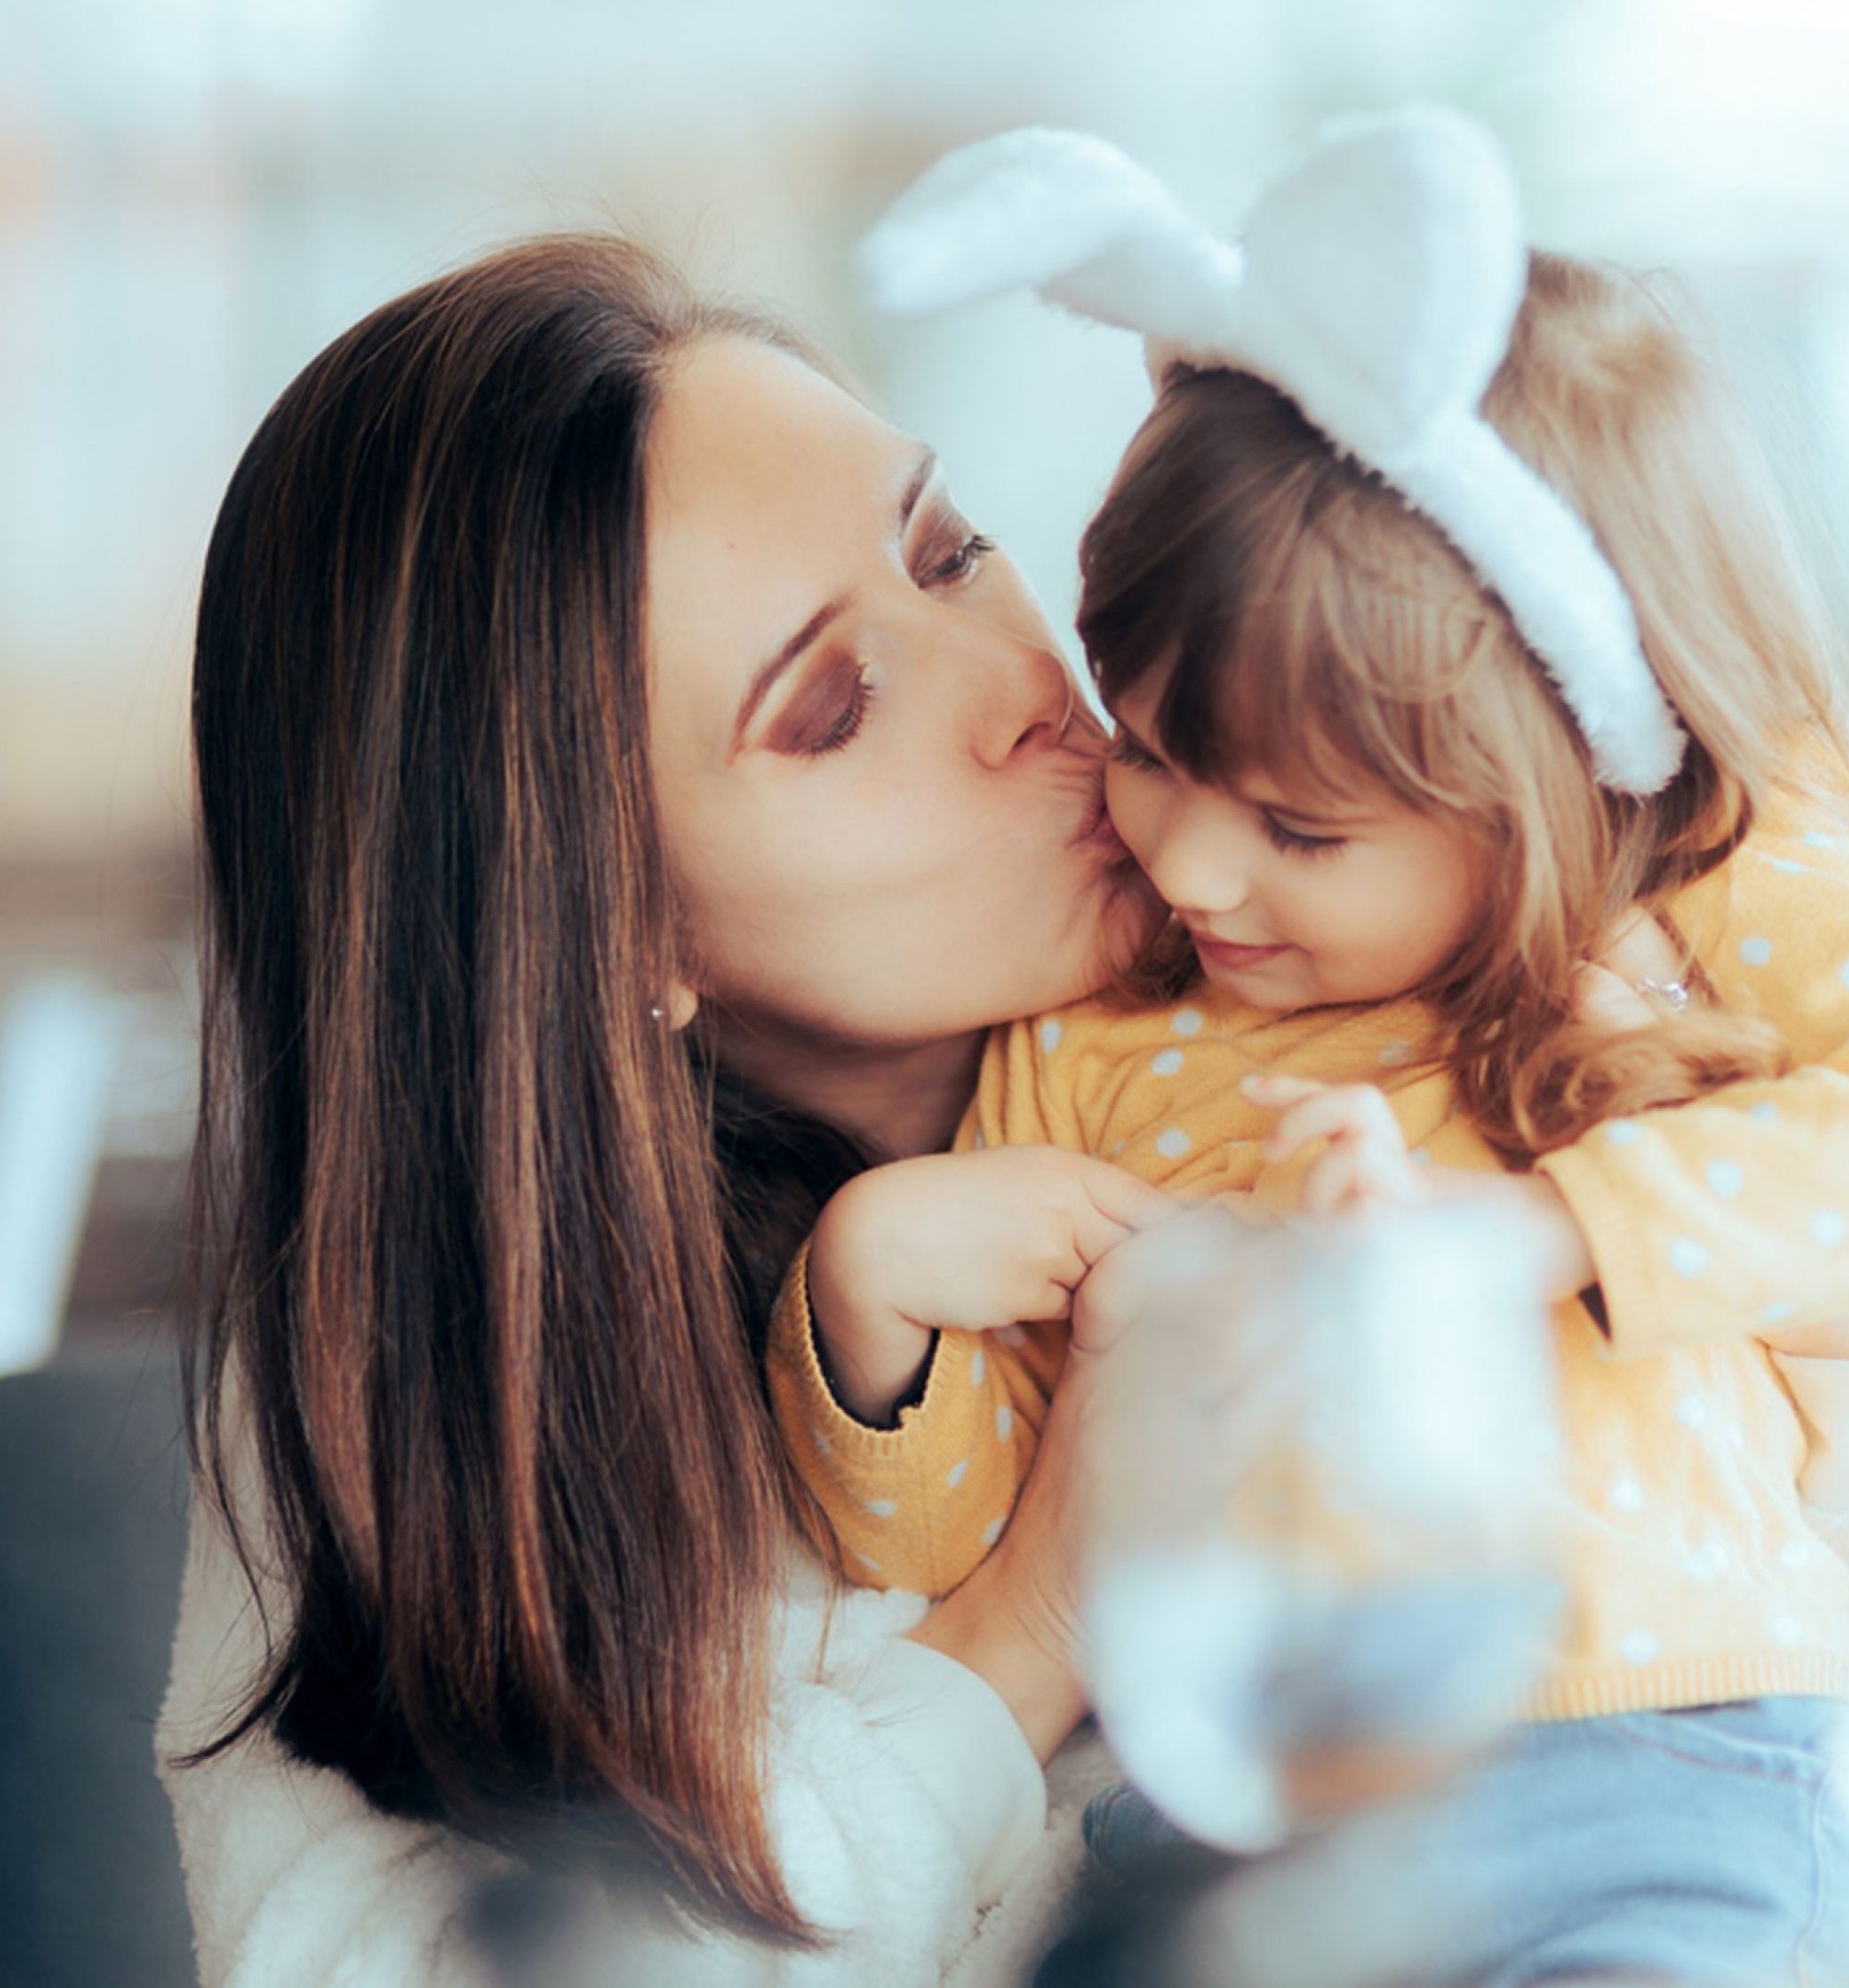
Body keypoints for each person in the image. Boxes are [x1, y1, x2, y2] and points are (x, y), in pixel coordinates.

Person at [774, 116, 1849, 1986]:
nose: (1181, 857)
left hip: (1657, 1757)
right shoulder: (1086, 1049)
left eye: (1300, 828)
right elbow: (980, 1562)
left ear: (1555, 778)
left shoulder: (1656, 905)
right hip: (1233, 1814)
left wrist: (1538, 1232)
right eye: (1159, 749)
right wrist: (874, 1307)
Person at [154, 231, 1180, 1988]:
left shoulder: (1394, 1025)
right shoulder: (436, 1380)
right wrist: (1024, 1639)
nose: (1021, 689)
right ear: (610, 925)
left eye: (950, 553)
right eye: (836, 707)